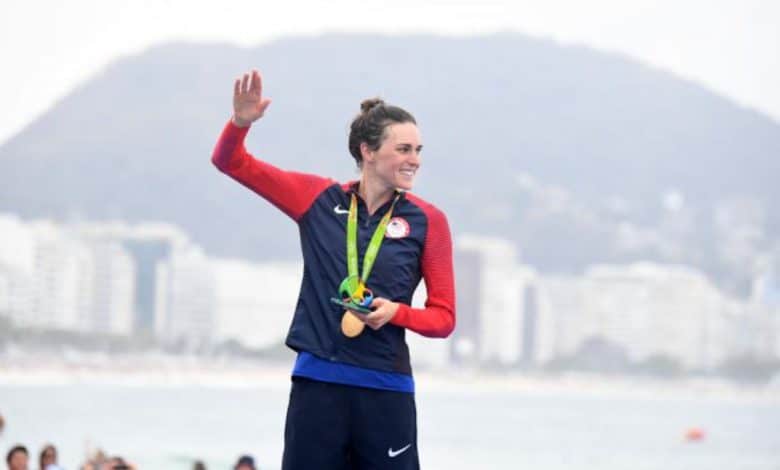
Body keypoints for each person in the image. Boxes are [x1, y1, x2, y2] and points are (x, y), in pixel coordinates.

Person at [212, 70, 455, 470]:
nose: (415, 160)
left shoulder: (429, 221)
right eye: (404, 149)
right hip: (318, 385)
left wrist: (396, 312)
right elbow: (230, 162)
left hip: (385, 389)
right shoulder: (317, 199)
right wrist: (240, 124)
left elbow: (444, 318)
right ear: (368, 151)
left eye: (418, 149)